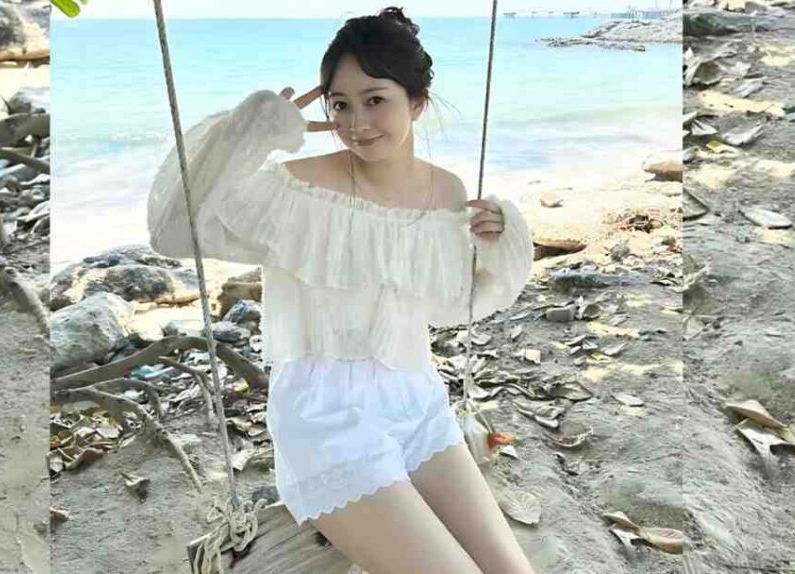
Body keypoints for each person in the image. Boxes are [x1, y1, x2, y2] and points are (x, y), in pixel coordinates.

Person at [147, 7, 535, 574]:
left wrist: (500, 241)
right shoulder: (299, 188)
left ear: (417, 102)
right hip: (325, 417)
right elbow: (174, 231)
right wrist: (250, 133)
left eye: (375, 99)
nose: (357, 123)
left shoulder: (446, 191)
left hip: (416, 402)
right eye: (341, 104)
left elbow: (451, 308)